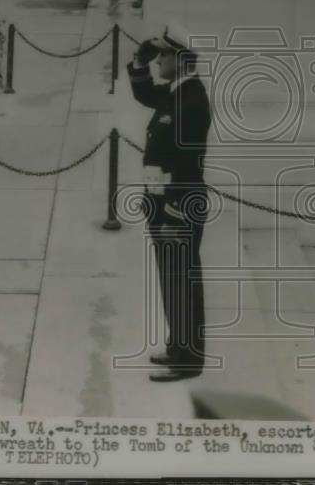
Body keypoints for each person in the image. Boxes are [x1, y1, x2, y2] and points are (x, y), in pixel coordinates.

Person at [128, 21, 211, 381]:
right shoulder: (178, 91)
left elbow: (185, 162)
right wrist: (138, 61)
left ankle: (189, 360)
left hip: (179, 204)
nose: (158, 60)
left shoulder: (191, 100)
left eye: (162, 54)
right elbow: (146, 94)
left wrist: (173, 210)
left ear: (179, 59)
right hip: (164, 203)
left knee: (182, 281)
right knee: (172, 279)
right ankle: (178, 346)